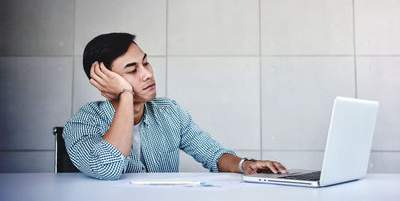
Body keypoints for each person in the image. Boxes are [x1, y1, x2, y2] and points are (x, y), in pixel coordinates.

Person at [63, 32, 288, 180]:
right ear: (104, 79)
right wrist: (125, 94)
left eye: (146, 62)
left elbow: (213, 155)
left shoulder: (168, 111)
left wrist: (244, 165)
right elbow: (106, 168)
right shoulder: (84, 122)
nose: (147, 74)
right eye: (132, 70)